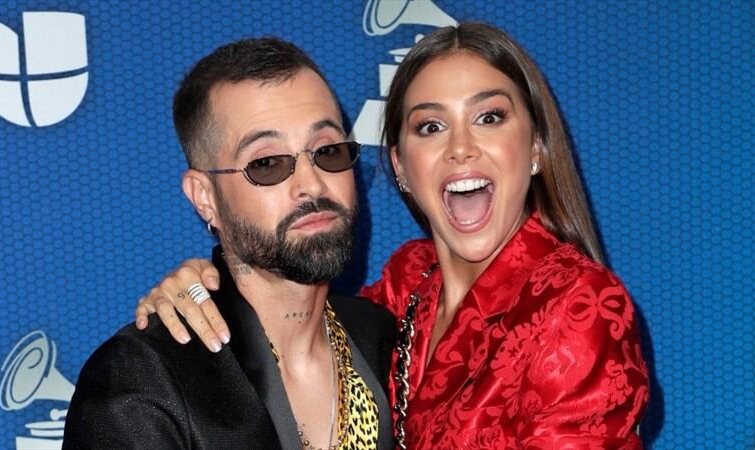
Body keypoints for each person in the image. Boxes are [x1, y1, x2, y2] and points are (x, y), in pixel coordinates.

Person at [136, 23, 650, 449]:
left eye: (489, 117)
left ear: (536, 146)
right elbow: (295, 321)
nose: (461, 148)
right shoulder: (406, 284)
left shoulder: (580, 306)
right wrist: (204, 284)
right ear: (400, 166)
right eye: (430, 127)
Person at [64, 37, 396, 450]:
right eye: (268, 163)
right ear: (205, 198)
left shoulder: (382, 339)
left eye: (326, 150)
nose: (311, 184)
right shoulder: (146, 382)